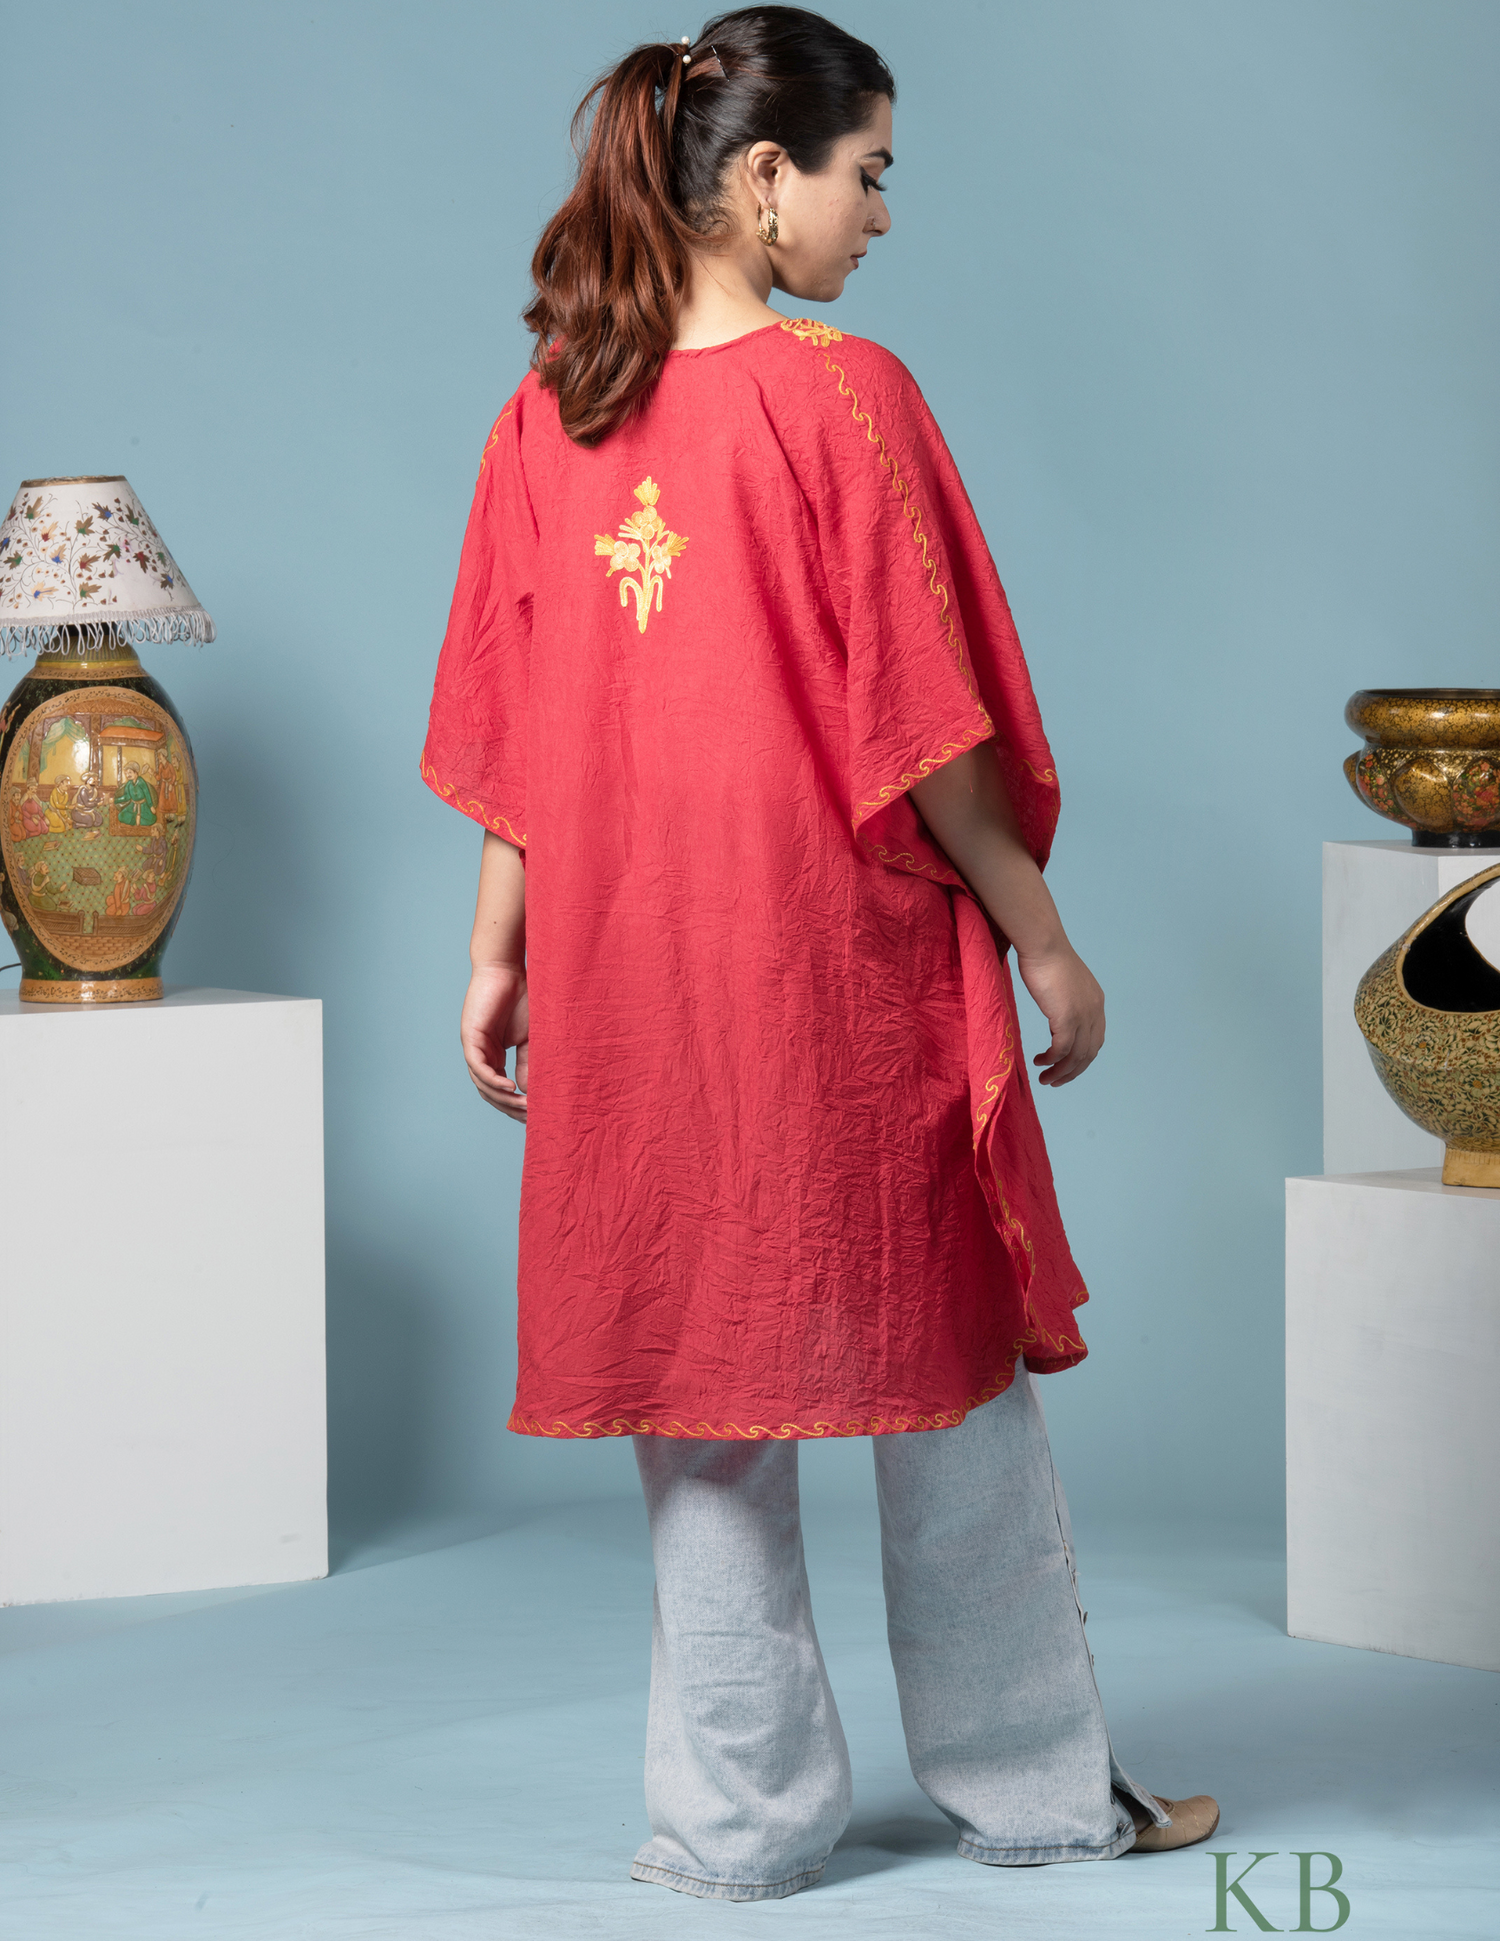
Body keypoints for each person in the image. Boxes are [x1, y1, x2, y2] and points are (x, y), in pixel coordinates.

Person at [422, 6, 1217, 1903]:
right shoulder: (844, 396)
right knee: (949, 1377)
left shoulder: (551, 412)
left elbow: (515, 734)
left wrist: (494, 955)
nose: (882, 214)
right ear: (766, 177)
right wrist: (1046, 940)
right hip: (836, 979)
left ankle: (735, 1828)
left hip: (633, 976)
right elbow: (927, 729)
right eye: (869, 173)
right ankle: (1035, 1792)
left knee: (699, 1389)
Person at [114, 762, 157, 827]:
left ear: (136, 772)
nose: (127, 775)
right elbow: (127, 797)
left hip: (143, 806)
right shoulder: (128, 784)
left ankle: (137, 821)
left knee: (152, 819)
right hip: (133, 805)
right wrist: (115, 800)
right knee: (121, 816)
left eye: (130, 772)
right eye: (126, 773)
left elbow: (147, 794)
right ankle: (135, 820)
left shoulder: (141, 781)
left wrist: (151, 806)